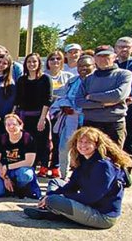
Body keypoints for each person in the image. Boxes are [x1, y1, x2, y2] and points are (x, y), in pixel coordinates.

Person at [24, 126, 132, 228]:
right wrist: (49, 196)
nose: (83, 145)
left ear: (96, 145)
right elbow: (72, 185)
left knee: (54, 200)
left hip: (102, 215)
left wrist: (60, 198)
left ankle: (53, 210)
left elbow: (90, 197)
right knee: (55, 183)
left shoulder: (103, 165)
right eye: (80, 142)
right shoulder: (84, 161)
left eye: (88, 142)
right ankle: (51, 207)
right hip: (87, 204)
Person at [75, 45, 132, 146]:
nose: (103, 59)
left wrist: (91, 97)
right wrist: (103, 104)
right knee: (88, 158)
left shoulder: (124, 75)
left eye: (107, 56)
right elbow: (79, 101)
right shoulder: (88, 79)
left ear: (114, 57)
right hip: (90, 124)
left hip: (114, 123)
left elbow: (118, 95)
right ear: (95, 59)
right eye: (100, 56)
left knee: (114, 158)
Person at [50, 55, 93, 178]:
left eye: (87, 65)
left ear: (93, 66)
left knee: (87, 150)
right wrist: (64, 106)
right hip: (70, 119)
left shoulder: (96, 82)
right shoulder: (72, 81)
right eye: (80, 66)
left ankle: (86, 178)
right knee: (63, 149)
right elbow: (63, 97)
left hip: (89, 120)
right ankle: (64, 177)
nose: (83, 68)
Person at [14, 53, 53, 177]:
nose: (32, 64)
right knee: (27, 143)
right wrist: (12, 116)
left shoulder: (45, 79)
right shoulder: (21, 80)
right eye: (29, 62)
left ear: (39, 64)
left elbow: (48, 100)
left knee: (42, 143)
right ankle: (29, 167)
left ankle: (43, 168)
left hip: (39, 116)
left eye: (34, 62)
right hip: (24, 117)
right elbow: (17, 99)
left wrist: (42, 119)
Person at [0, 114, 41, 199]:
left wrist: (8, 167)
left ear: (20, 125)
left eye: (14, 124)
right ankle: (8, 187)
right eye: (8, 125)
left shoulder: (28, 138)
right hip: (2, 171)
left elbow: (29, 162)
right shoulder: (1, 138)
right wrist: (5, 178)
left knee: (26, 175)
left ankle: (19, 188)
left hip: (20, 169)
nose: (11, 127)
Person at [46, 50, 74, 178]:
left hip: (62, 114)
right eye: (52, 59)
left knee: (59, 140)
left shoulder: (68, 77)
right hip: (45, 112)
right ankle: (44, 165)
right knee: (45, 140)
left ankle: (56, 166)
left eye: (58, 58)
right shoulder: (43, 75)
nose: (55, 61)